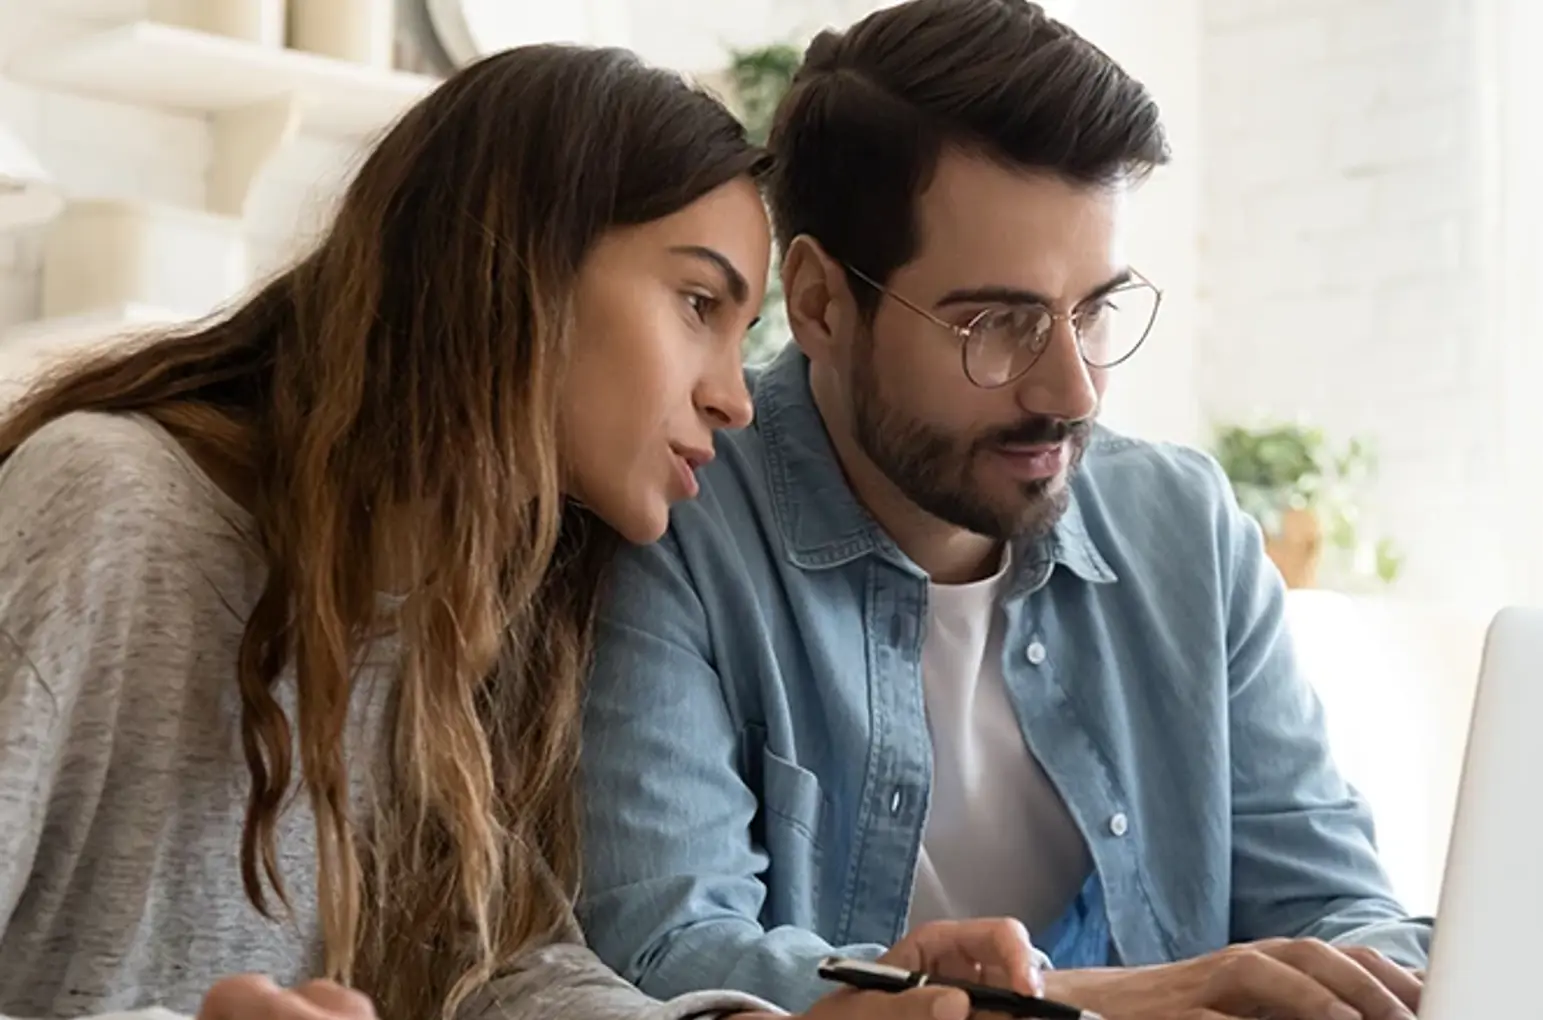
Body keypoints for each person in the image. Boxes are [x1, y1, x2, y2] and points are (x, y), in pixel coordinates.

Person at [0, 43, 1041, 1020]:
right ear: (516, 273)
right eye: (695, 303)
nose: (734, 396)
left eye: (742, 334)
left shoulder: (481, 606)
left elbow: (499, 970)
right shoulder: (109, 508)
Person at [575, 3, 1433, 1020]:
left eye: (1094, 310)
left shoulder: (1185, 530)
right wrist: (1112, 1001)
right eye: (995, 323)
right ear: (817, 305)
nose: (1072, 391)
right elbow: (668, 958)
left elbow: (1337, 906)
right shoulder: (675, 522)